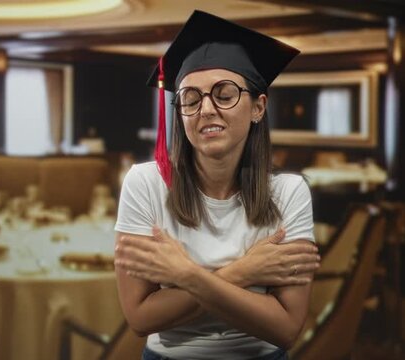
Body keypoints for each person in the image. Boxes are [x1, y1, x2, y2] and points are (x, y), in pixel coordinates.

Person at [114, 10, 319, 360]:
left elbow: (285, 329)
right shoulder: (146, 184)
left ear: (258, 107)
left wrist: (186, 275)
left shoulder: (289, 192)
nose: (206, 109)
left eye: (224, 94)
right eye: (191, 98)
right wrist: (246, 271)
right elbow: (140, 317)